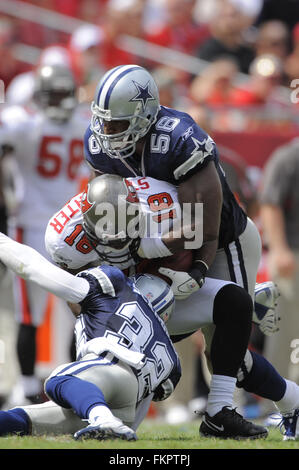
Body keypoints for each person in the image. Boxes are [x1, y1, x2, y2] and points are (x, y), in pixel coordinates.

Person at [44, 174, 299, 440]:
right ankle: (293, 399)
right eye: (110, 240)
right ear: (87, 225)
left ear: (138, 212)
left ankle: (220, 411)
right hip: (119, 317)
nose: (118, 245)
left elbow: (205, 233)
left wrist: (195, 271)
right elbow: (75, 294)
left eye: (125, 235)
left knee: (234, 304)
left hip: (159, 291)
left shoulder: (163, 206)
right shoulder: (64, 237)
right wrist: (101, 321)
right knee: (119, 419)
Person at [0, 233, 180, 440]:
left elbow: (34, 267)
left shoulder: (116, 289)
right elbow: (151, 398)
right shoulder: (172, 357)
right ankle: (104, 418)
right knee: (22, 419)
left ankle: (104, 420)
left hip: (107, 371)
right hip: (124, 409)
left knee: (60, 379)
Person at [0, 63, 90, 406]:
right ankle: (29, 385)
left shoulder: (24, 122)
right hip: (61, 227)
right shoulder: (83, 123)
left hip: (38, 226)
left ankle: (32, 384)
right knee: (62, 309)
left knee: (48, 313)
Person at [259, 139, 299, 384]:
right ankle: (277, 399)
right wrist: (279, 249)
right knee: (286, 332)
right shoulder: (288, 157)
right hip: (292, 255)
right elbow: (270, 203)